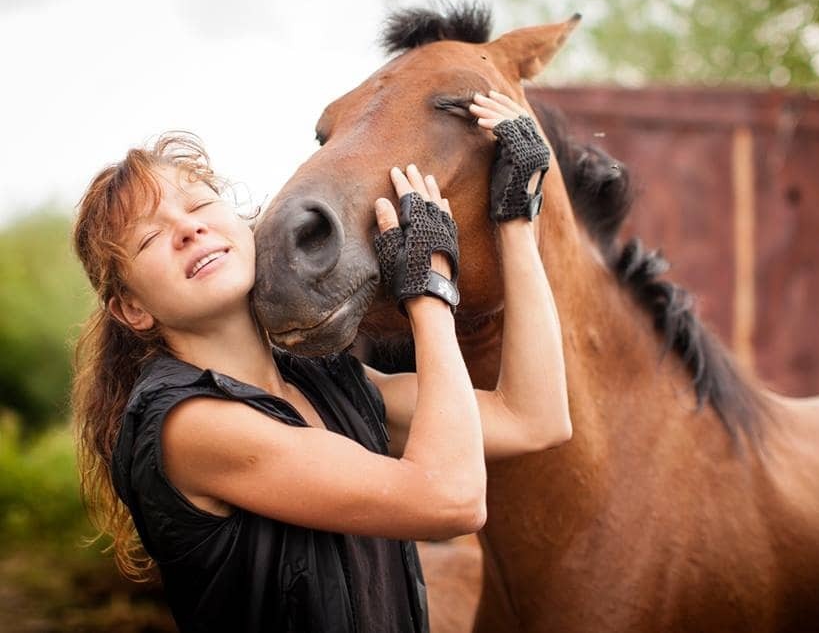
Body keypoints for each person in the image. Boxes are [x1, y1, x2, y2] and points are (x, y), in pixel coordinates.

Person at [70, 90, 569, 633]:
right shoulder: (188, 425)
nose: (188, 229)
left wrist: (517, 214)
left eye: (197, 206)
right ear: (132, 309)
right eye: (150, 238)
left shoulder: (327, 380)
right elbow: (452, 498)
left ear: (244, 224)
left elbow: (535, 417)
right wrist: (429, 293)